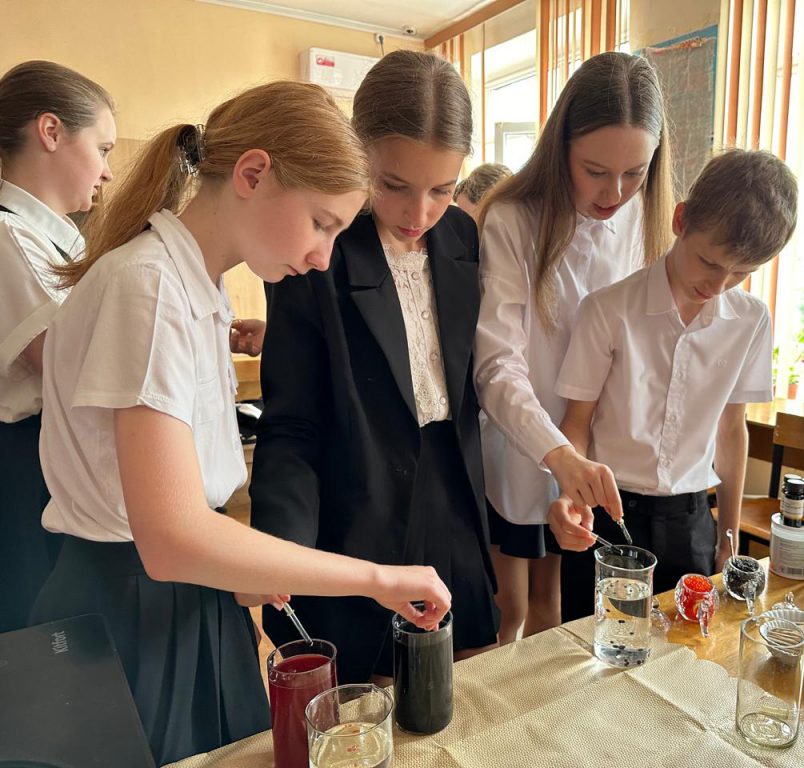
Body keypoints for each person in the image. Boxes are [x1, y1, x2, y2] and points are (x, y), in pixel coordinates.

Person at [30, 80, 450, 765]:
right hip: (130, 602)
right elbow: (170, 537)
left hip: (180, 595)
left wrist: (240, 563)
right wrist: (378, 579)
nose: (323, 258)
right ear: (253, 174)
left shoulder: (194, 282)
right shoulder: (147, 285)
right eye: (322, 223)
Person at [250, 50, 499, 684]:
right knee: (371, 692)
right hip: (358, 501)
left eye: (442, 189)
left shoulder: (463, 238)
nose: (419, 214)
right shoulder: (317, 248)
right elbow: (292, 421)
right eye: (393, 185)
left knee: (468, 679)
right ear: (358, 152)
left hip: (454, 496)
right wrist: (279, 547)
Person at [474, 51, 675, 642]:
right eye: (595, 170)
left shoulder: (648, 222)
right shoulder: (513, 219)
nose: (616, 192)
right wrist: (558, 454)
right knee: (511, 612)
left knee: (568, 614)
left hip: (603, 451)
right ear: (560, 147)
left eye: (635, 173)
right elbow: (497, 364)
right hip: (524, 443)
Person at [547, 149, 798, 616]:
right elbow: (576, 422)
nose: (719, 285)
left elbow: (731, 430)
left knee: (690, 651)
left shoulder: (750, 320)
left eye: (742, 273)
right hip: (608, 513)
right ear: (681, 221)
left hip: (692, 520)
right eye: (709, 262)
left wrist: (729, 535)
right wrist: (568, 494)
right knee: (594, 651)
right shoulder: (609, 309)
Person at [0, 61, 115, 632]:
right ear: (50, 131)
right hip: (29, 460)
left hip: (55, 450)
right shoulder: (9, 235)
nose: (107, 172)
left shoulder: (54, 240)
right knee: (42, 633)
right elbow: (67, 364)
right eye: (103, 148)